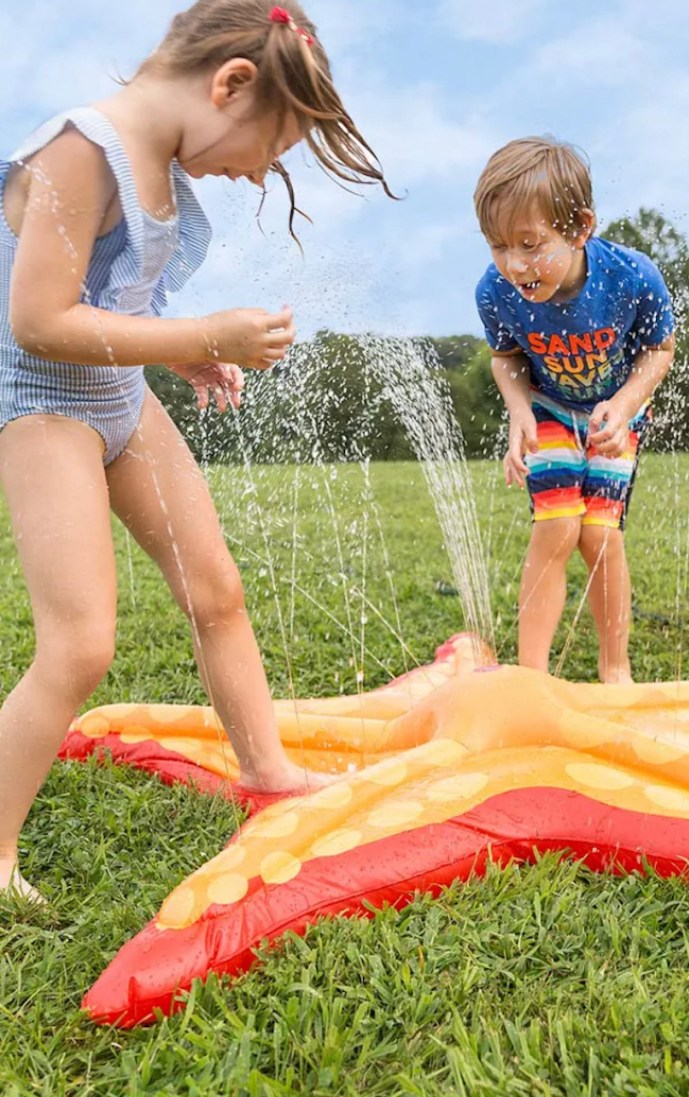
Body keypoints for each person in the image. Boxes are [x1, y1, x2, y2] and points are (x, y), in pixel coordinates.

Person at [0, 0, 394, 901]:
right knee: (79, 645)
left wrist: (182, 352)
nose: (259, 178)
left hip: (118, 398)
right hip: (41, 407)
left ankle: (266, 770)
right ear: (231, 84)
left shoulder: (159, 174)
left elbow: (113, 309)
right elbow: (39, 320)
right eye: (271, 150)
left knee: (216, 591)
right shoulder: (78, 150)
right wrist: (205, 325)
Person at [474, 137, 676, 684]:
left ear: (580, 227)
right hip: (549, 409)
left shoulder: (632, 277)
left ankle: (615, 670)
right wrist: (518, 410)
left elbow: (661, 350)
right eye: (497, 246)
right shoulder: (495, 292)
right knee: (557, 528)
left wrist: (627, 402)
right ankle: (530, 678)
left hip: (616, 413)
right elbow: (506, 358)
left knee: (600, 535)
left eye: (530, 244)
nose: (514, 264)